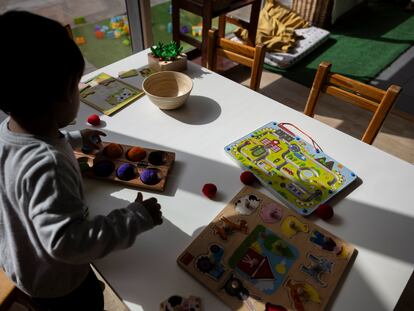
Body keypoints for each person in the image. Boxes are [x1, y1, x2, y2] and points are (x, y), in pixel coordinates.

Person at [0, 11, 163, 311]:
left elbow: (38, 149)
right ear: (63, 95)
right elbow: (67, 243)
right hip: (57, 283)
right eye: (76, 86)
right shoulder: (48, 164)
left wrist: (75, 139)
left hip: (20, 258)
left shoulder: (7, 131)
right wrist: (136, 218)